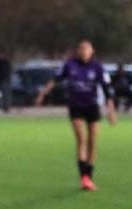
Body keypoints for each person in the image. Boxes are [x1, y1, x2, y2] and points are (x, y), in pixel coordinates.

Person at [36, 40, 117, 191]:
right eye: (82, 49)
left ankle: (89, 176)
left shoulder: (98, 67)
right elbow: (55, 80)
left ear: (92, 51)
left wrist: (111, 111)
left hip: (92, 106)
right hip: (75, 106)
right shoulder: (70, 65)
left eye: (87, 49)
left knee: (93, 140)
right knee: (81, 139)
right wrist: (43, 94)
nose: (84, 51)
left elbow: (107, 90)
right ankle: (84, 177)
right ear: (78, 51)